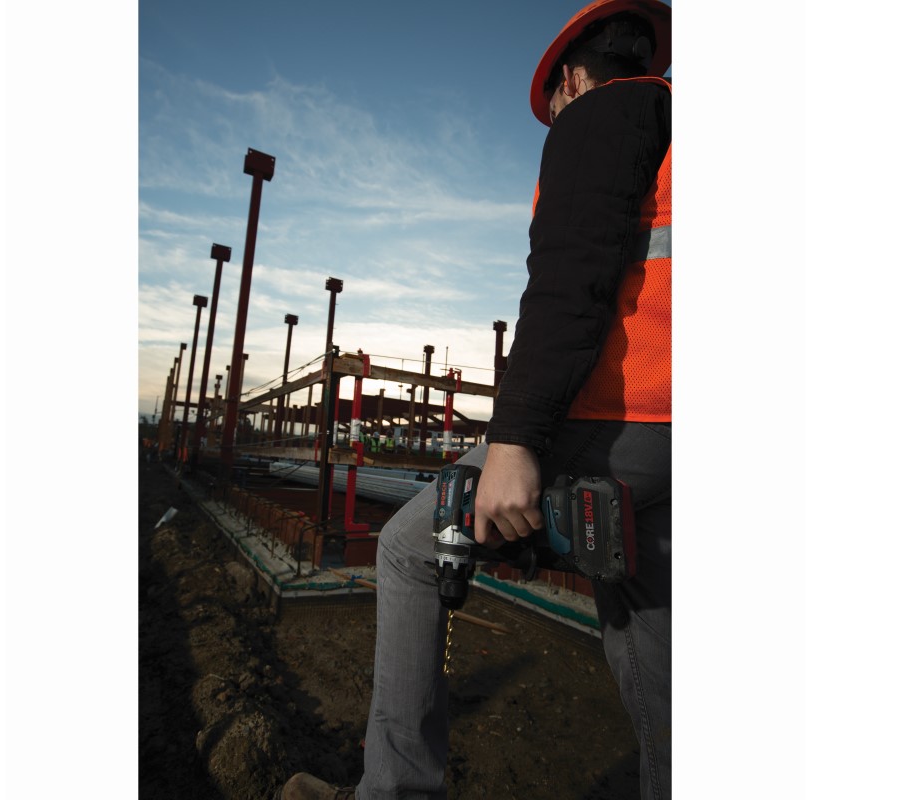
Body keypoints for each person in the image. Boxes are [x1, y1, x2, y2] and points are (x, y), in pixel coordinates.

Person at [278, 1, 672, 797]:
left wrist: (517, 441)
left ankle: (392, 791)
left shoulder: (600, 113)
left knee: (409, 549)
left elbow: (569, 277)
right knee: (647, 620)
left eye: (552, 106)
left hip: (621, 412)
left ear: (570, 78)